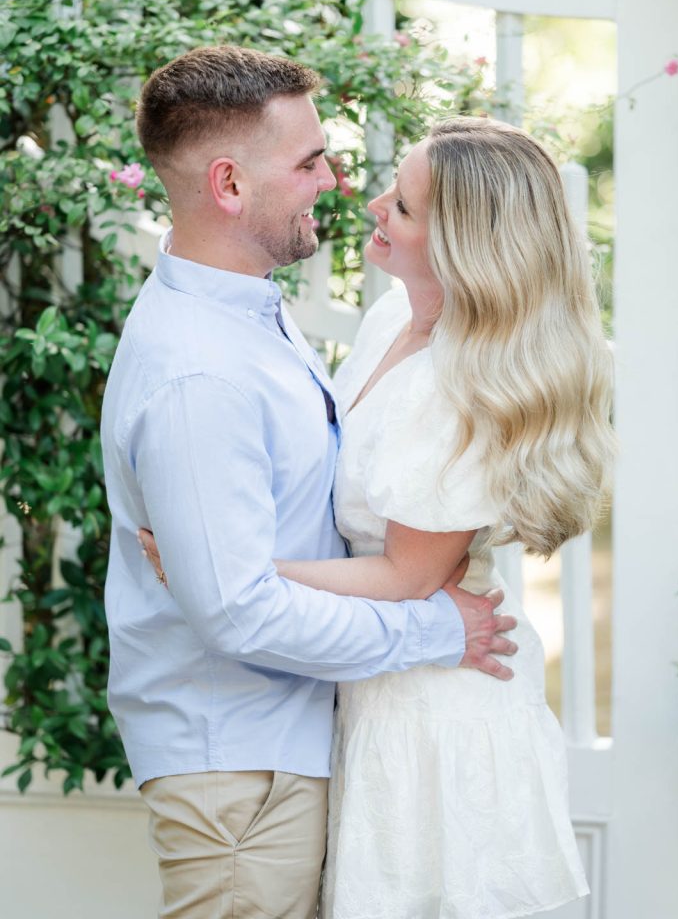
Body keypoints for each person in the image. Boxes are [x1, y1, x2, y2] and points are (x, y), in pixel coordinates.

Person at [140, 113, 615, 917]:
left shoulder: (462, 384)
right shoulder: (391, 320)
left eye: (401, 205)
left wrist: (232, 567)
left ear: (463, 244)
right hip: (373, 678)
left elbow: (409, 573)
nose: (371, 205)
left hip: (437, 708)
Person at [101, 45, 517, 919]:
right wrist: (437, 633)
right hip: (239, 774)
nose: (333, 181)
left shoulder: (248, 315)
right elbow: (238, 610)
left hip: (282, 752)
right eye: (308, 161)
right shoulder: (199, 374)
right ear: (228, 185)